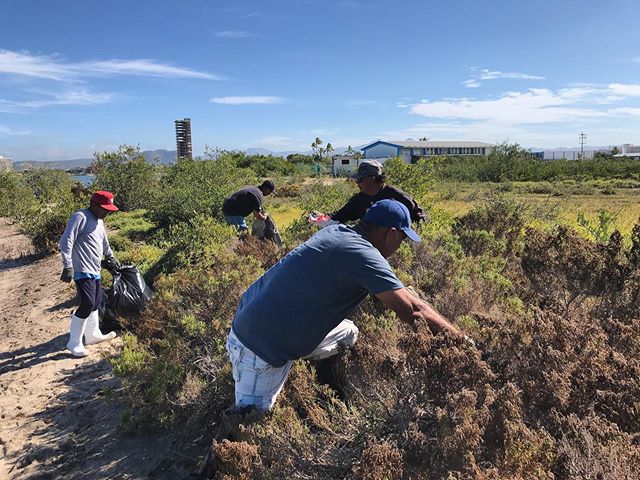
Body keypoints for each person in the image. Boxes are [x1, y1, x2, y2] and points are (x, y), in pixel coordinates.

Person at [226, 199, 467, 411]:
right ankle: (215, 459)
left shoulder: (339, 233)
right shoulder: (363, 255)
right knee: (246, 429)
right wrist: (463, 346)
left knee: (348, 333)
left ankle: (327, 396)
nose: (399, 246)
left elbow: (408, 299)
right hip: (258, 346)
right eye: (402, 239)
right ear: (391, 234)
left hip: (256, 318)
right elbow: (413, 310)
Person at [59, 190, 120, 357]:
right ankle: (74, 343)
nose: (107, 212)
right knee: (86, 303)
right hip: (81, 269)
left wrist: (110, 256)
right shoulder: (80, 217)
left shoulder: (99, 220)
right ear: (93, 205)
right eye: (104, 209)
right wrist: (68, 266)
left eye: (109, 209)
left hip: (95, 269)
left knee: (96, 302)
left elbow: (103, 240)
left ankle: (93, 335)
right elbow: (66, 240)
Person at [327, 160, 426, 224]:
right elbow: (339, 216)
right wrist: (320, 218)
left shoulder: (396, 196)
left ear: (372, 179)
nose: (357, 183)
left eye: (360, 179)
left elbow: (420, 218)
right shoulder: (359, 200)